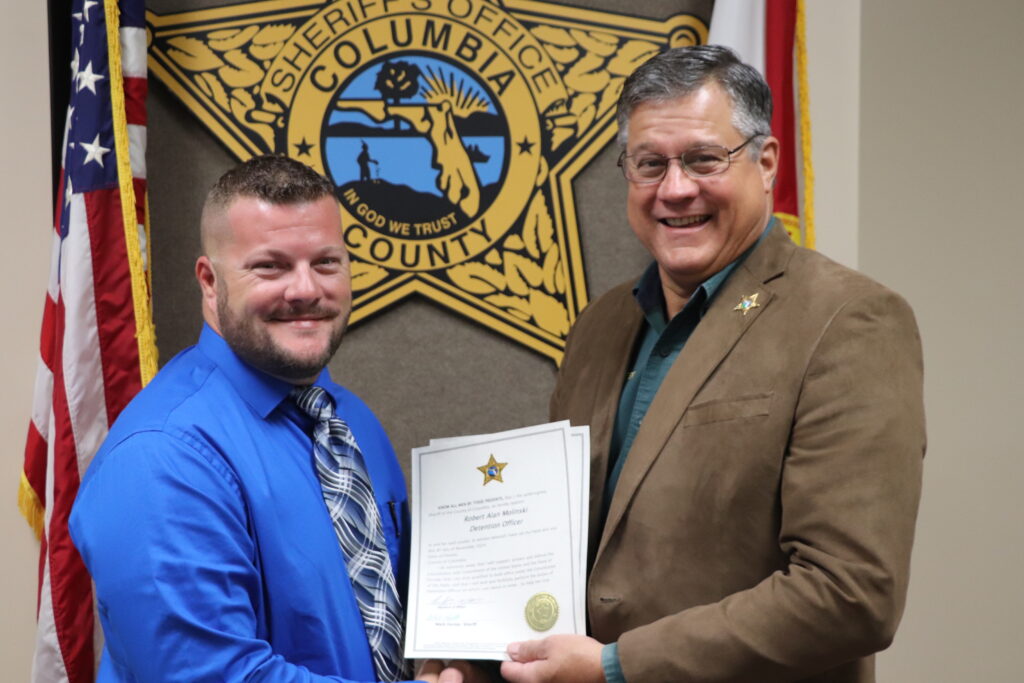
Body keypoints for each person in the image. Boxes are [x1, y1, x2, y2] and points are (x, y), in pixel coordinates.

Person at [501, 46, 925, 682]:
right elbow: (561, 543)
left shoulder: (850, 321)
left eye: (703, 159)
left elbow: (852, 593)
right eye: (650, 164)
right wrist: (475, 646)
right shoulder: (600, 325)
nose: (675, 190)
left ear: (767, 163)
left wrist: (619, 666)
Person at [69, 155, 472, 682]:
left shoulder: (350, 423)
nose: (306, 289)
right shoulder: (162, 458)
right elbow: (211, 676)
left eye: (326, 262)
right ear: (210, 282)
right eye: (271, 266)